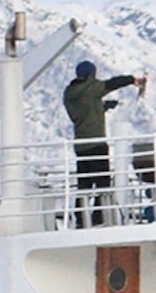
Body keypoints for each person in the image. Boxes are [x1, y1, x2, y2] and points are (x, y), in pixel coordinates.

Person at [60, 59, 142, 227]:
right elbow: (111, 84)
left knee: (84, 185)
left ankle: (81, 220)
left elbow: (85, 110)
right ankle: (99, 217)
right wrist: (131, 80)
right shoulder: (90, 88)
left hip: (81, 145)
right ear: (92, 74)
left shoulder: (70, 94)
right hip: (96, 143)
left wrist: (103, 106)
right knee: (103, 183)